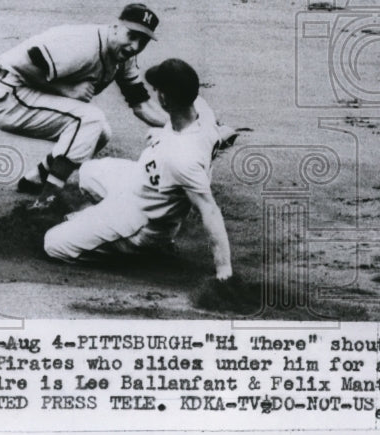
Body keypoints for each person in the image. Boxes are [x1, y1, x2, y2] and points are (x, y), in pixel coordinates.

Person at [43, 58, 238, 291]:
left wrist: (224, 271)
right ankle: (94, 219)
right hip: (138, 182)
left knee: (53, 244)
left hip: (143, 221)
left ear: (164, 99)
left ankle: (132, 250)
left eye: (158, 90)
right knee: (88, 172)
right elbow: (219, 133)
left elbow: (210, 211)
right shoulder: (202, 110)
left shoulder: (181, 158)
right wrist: (221, 134)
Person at [0, 3, 168, 209]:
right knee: (90, 119)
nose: (135, 46)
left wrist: (181, 124)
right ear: (115, 27)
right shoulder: (83, 44)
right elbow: (20, 63)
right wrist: (66, 90)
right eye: (131, 36)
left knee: (99, 133)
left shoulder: (124, 57)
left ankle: (36, 179)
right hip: (9, 96)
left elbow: (140, 104)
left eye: (143, 41)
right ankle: (46, 202)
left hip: (28, 94)